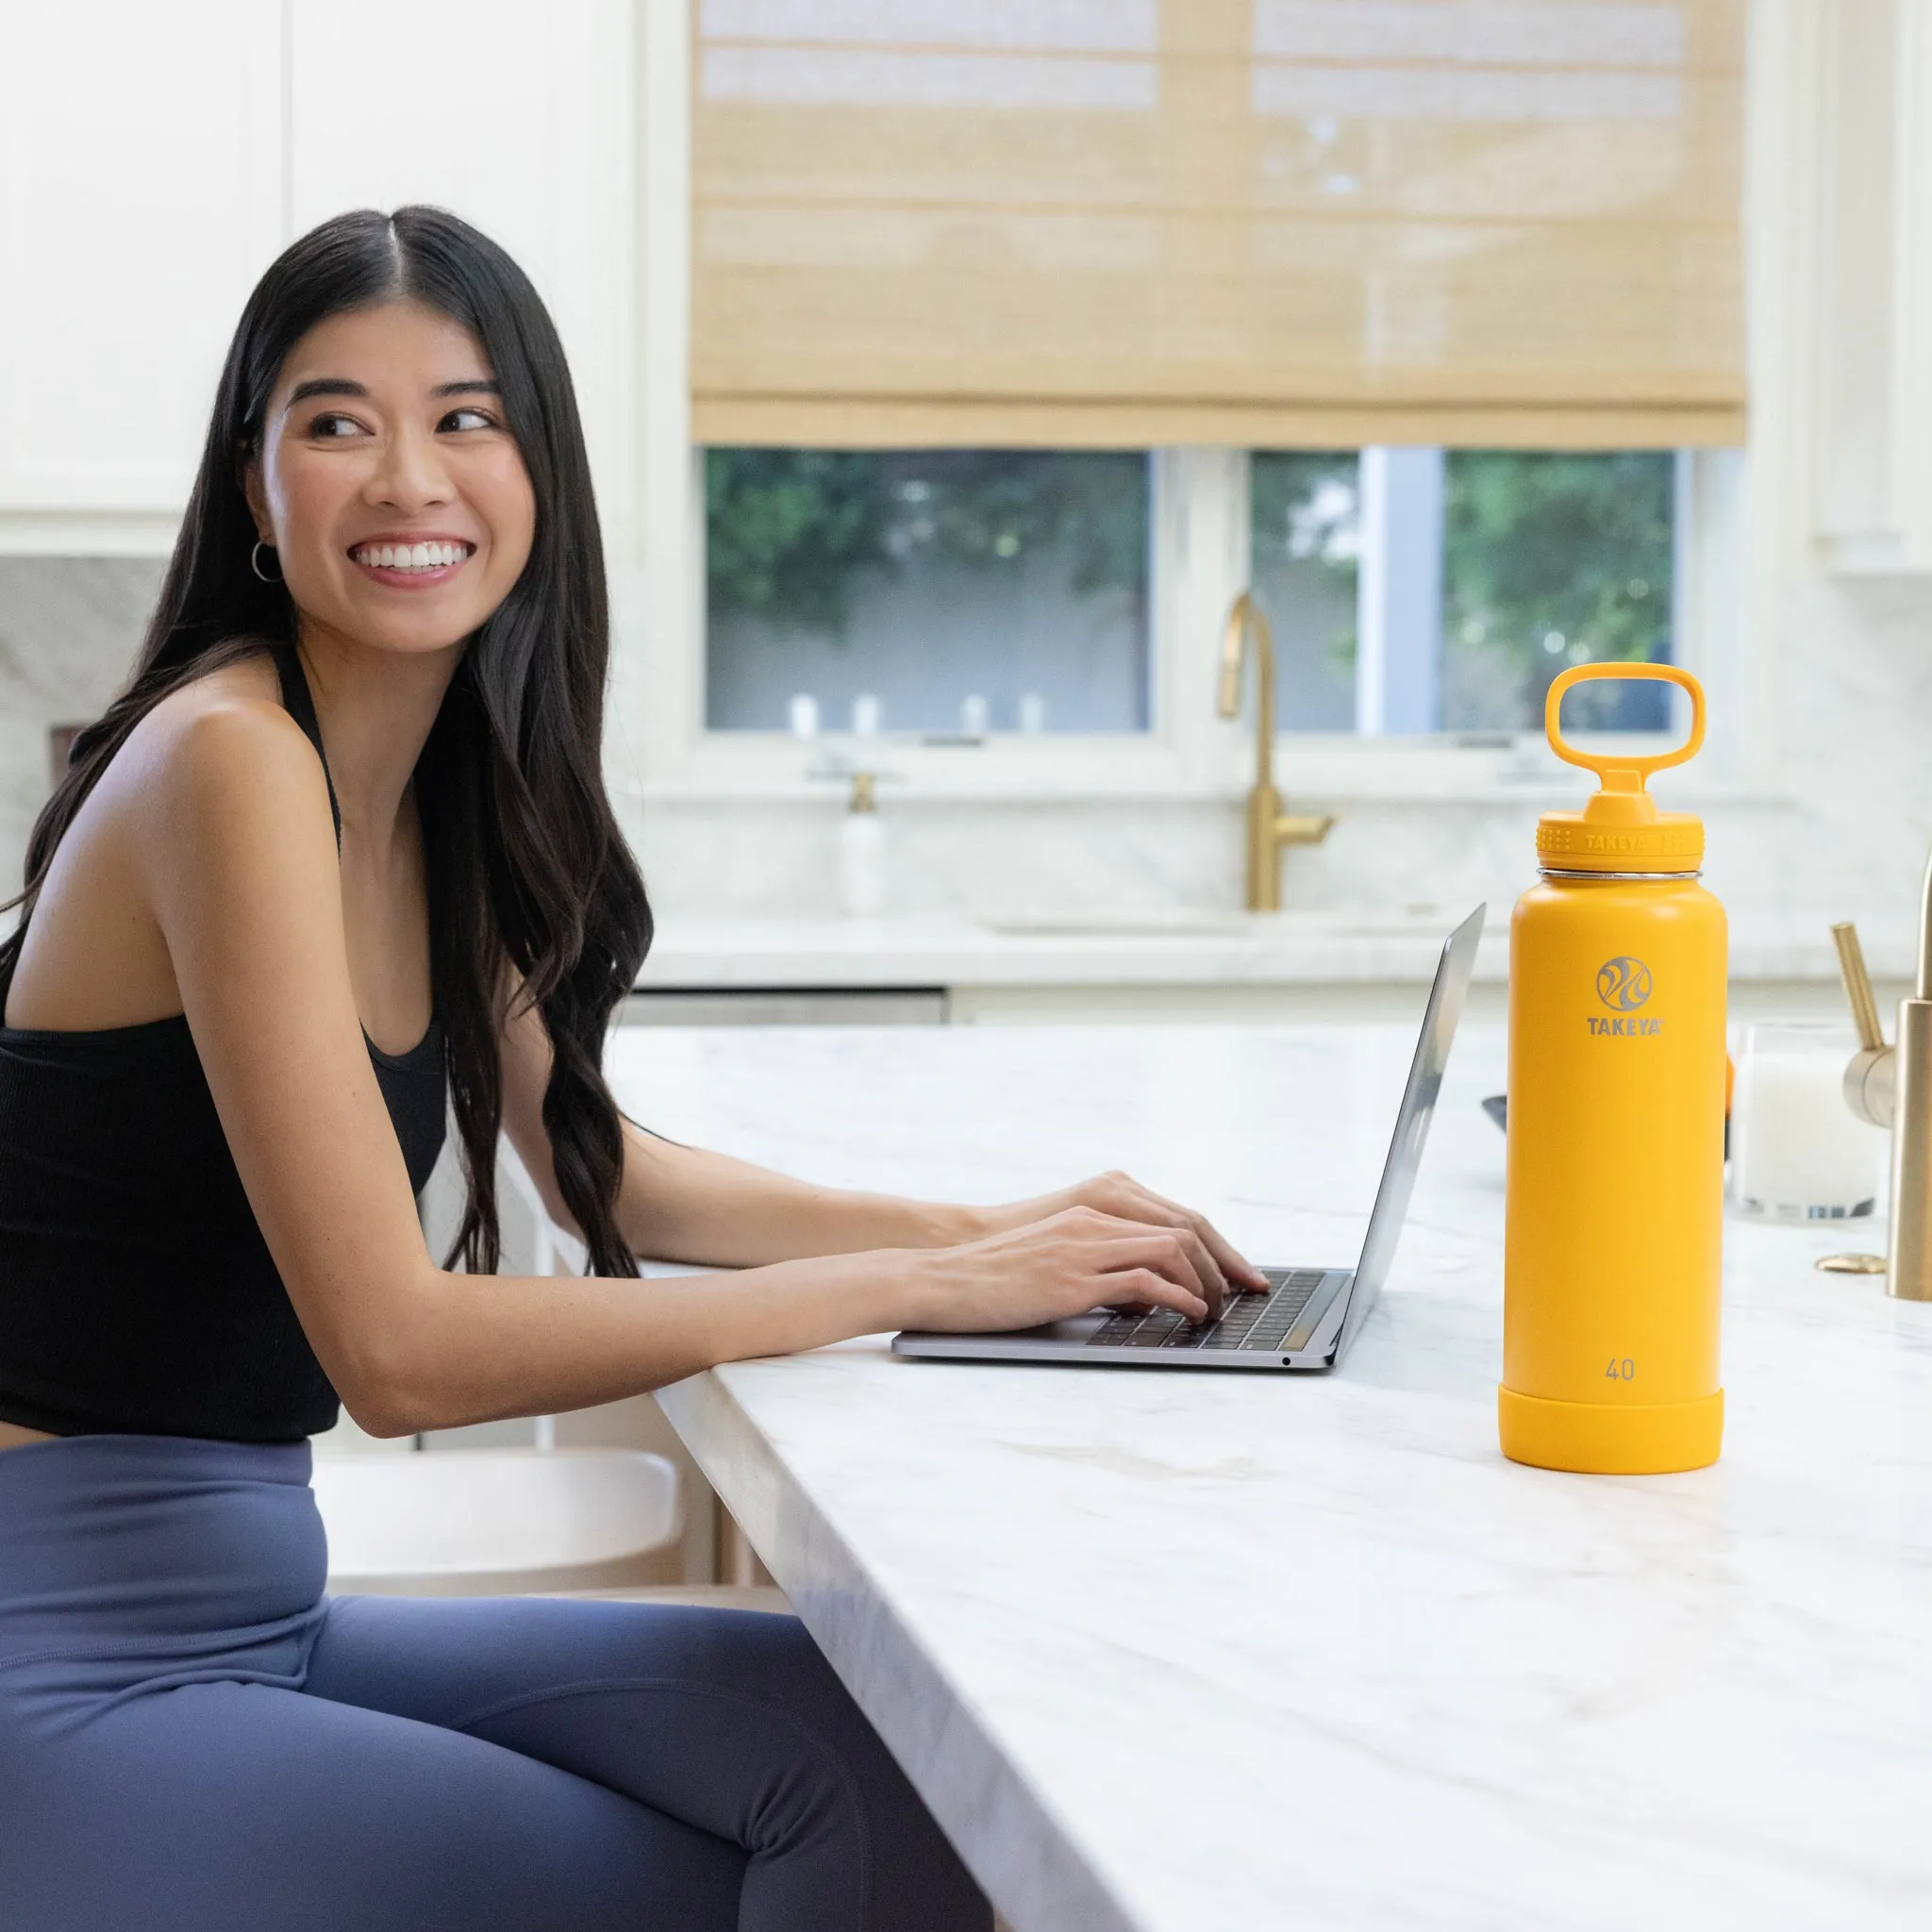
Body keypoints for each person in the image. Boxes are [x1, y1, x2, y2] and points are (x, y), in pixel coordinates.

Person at [0, 207, 1264, 1931]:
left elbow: (612, 1175)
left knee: (901, 1767)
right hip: (62, 1663)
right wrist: (911, 1282)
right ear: (253, 486)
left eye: (465, 417)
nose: (406, 478)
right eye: (334, 421)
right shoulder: (228, 762)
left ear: (538, 465)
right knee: (756, 1869)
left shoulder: (428, 789)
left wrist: (997, 1239)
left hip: (255, 1610)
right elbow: (397, 1349)